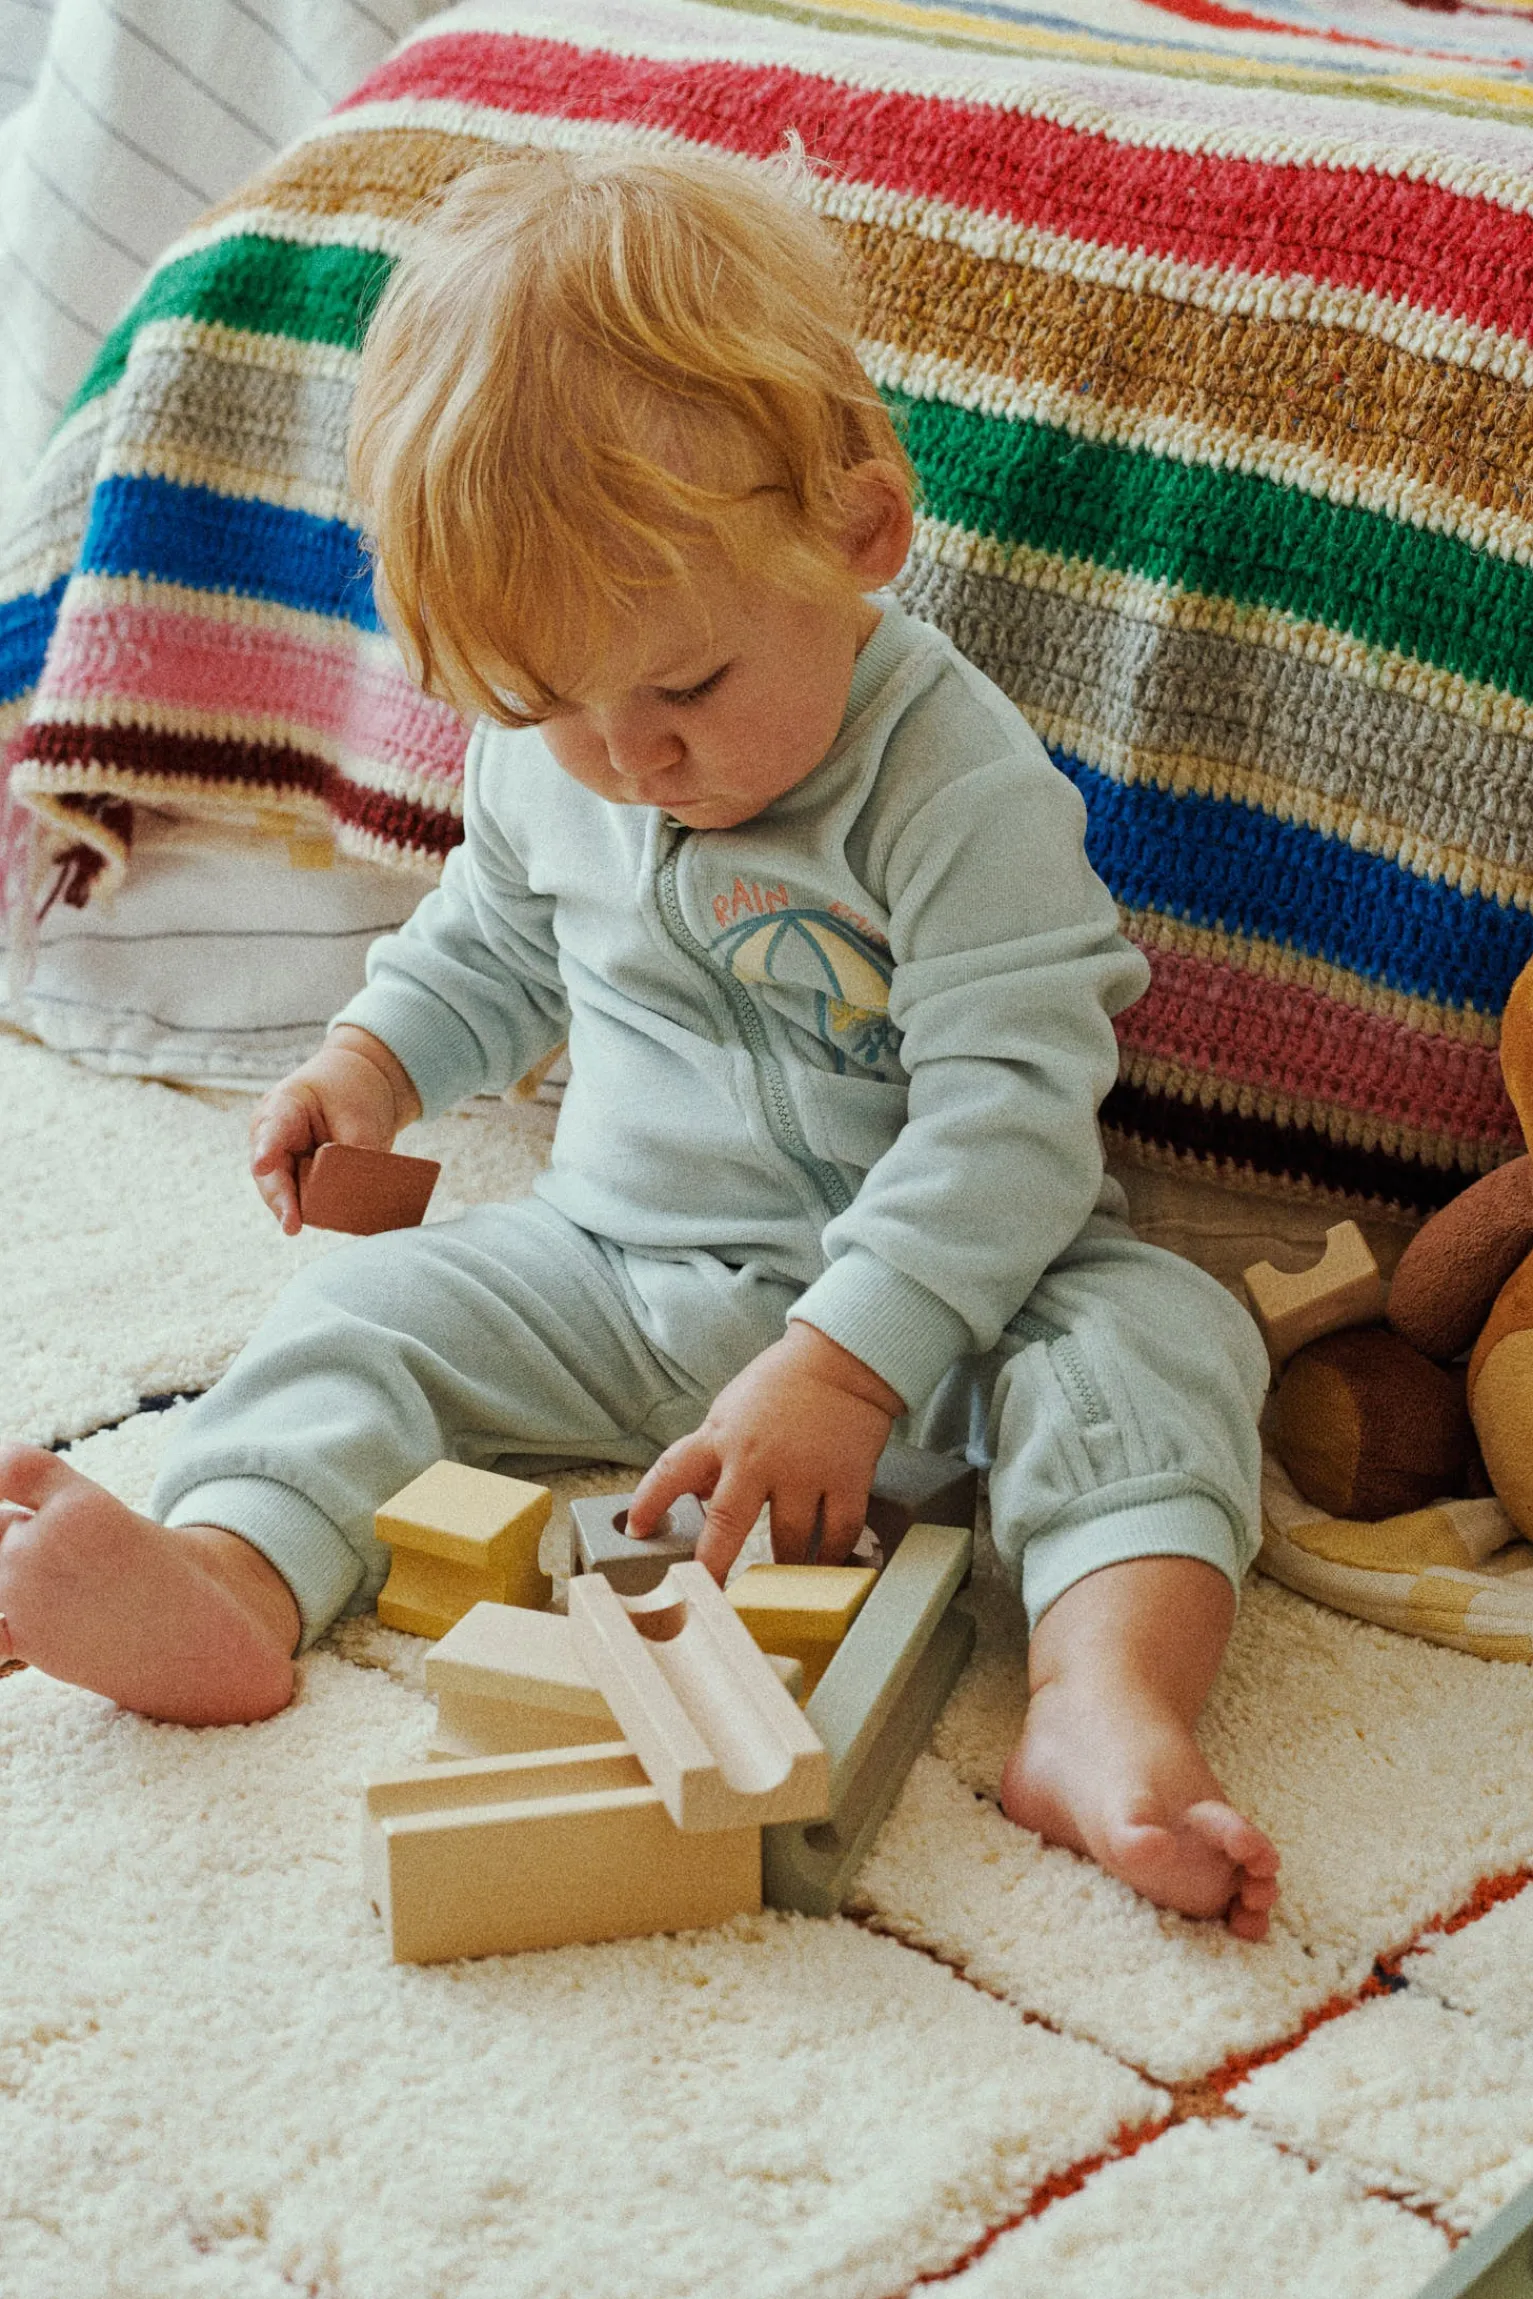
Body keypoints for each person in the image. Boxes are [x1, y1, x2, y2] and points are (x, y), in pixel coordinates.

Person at [0, 144, 1277, 1937]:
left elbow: (1016, 1108)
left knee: (1163, 1344)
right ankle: (231, 1574)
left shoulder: (954, 783)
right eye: (551, 704)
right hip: (620, 1270)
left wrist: (850, 1362)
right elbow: (492, 938)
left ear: (859, 533)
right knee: (360, 1315)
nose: (630, 758)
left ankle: (1101, 1696)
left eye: (685, 686)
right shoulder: (564, 757)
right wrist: (371, 1066)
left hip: (960, 1318)